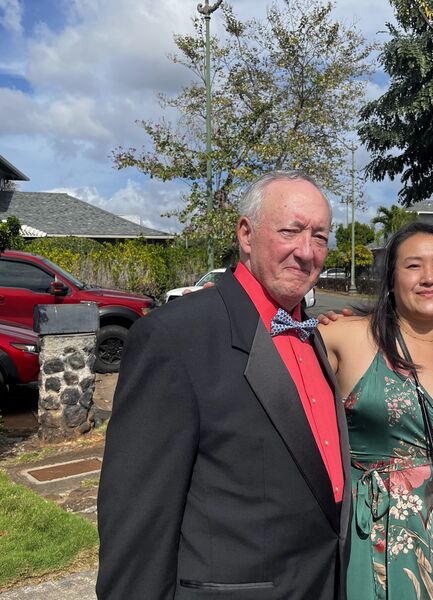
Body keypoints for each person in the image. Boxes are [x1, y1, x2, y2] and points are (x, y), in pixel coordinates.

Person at [96, 171, 350, 599]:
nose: (307, 251)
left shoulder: (315, 334)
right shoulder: (176, 336)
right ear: (246, 235)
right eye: (291, 231)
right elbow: (137, 520)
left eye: (320, 236)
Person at [318, 222, 433, 599]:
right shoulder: (349, 336)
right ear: (391, 280)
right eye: (413, 266)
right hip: (372, 526)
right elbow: (272, 359)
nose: (429, 277)